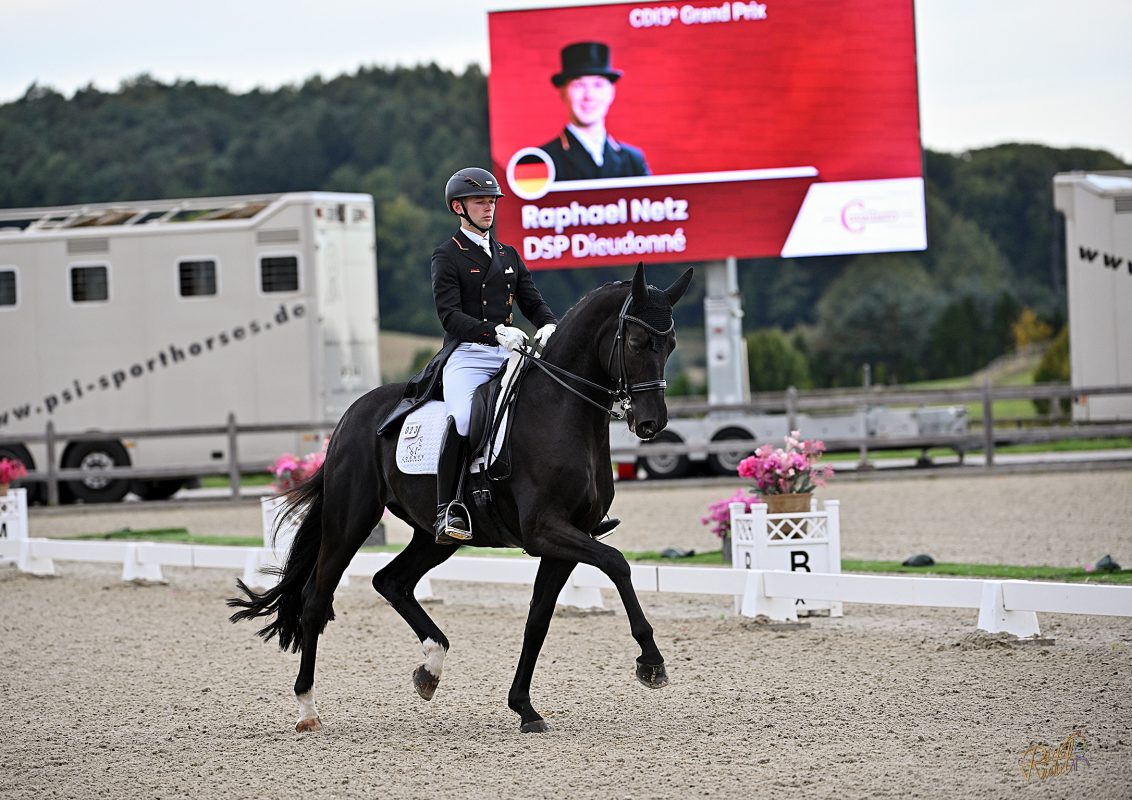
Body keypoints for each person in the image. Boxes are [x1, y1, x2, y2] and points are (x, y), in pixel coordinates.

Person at [431, 167, 558, 545]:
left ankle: (567, 502)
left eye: (491, 202)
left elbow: (533, 303)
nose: (489, 208)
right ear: (459, 207)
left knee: (550, 408)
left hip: (511, 353)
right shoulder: (447, 255)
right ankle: (448, 508)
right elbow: (449, 316)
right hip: (469, 354)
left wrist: (549, 324)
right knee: (464, 418)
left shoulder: (508, 254)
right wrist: (494, 332)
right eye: (479, 202)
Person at [540, 41, 651, 182]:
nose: (589, 96)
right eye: (578, 85)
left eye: (598, 85)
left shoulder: (633, 160)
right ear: (563, 93)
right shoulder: (541, 161)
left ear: (611, 92)